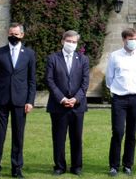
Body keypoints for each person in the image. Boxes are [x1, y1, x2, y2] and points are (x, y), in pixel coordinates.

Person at [0, 22, 37, 179]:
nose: (13, 36)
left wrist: (30, 101)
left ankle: (16, 168)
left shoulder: (29, 54)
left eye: (16, 34)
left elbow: (32, 80)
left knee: (18, 136)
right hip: (1, 101)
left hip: (20, 102)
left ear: (22, 35)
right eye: (11, 34)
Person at [105, 27, 136, 177]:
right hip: (119, 98)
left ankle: (128, 165)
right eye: (130, 39)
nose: (133, 41)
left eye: (135, 39)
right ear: (124, 40)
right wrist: (116, 90)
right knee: (117, 132)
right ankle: (114, 166)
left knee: (132, 133)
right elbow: (109, 77)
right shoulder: (115, 56)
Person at [45, 30, 90, 176]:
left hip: (78, 105)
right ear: (62, 41)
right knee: (59, 137)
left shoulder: (83, 59)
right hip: (58, 105)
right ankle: (59, 166)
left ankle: (77, 166)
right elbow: (50, 80)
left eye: (74, 42)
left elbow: (85, 83)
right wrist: (62, 99)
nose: (71, 44)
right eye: (69, 41)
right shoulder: (53, 58)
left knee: (76, 137)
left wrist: (76, 99)